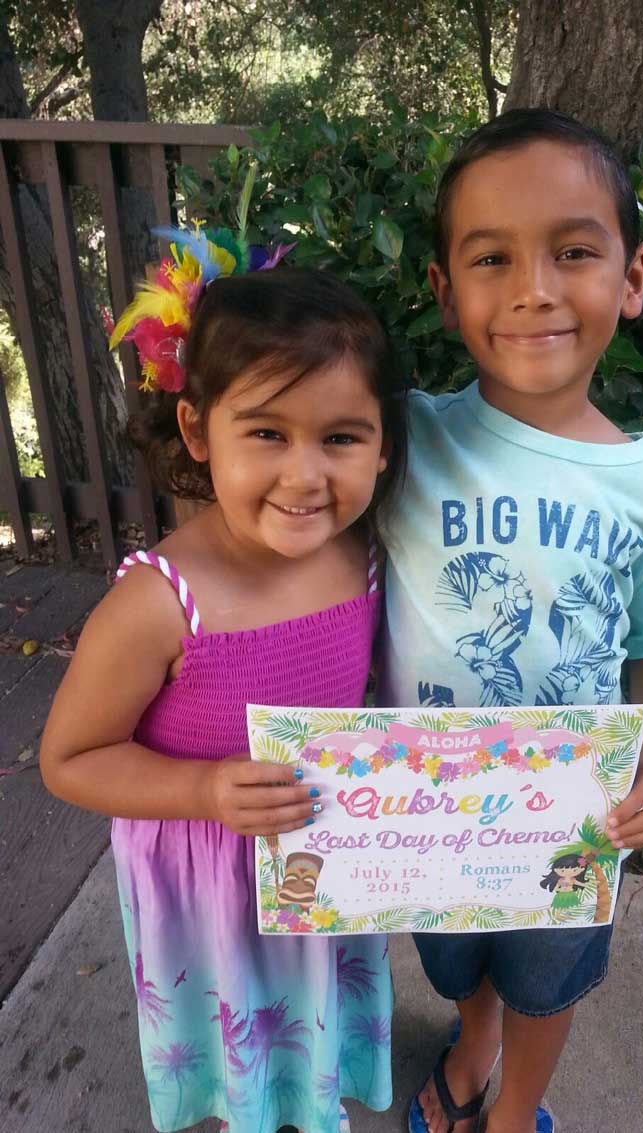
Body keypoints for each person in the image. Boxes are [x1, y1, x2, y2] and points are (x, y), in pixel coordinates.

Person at [377, 108, 643, 1133]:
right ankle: (471, 1041)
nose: (533, 287)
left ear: (633, 275)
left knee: (549, 975)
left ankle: (515, 1108)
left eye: (573, 250)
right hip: (425, 811)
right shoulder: (402, 439)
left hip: (571, 815)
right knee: (457, 957)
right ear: (442, 291)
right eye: (490, 257)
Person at [40, 236, 407, 1133]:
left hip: (321, 858)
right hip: (209, 882)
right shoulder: (157, 604)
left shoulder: (363, 555)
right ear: (200, 430)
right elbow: (71, 759)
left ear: (385, 444)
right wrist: (204, 787)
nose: (305, 474)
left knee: (312, 1013)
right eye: (268, 433)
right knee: (243, 1034)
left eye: (341, 437)